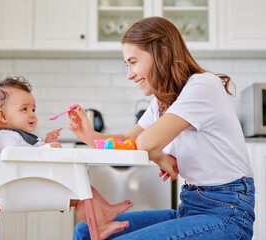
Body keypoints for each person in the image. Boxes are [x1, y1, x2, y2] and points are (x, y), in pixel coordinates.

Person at [69, 17, 255, 240]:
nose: (129, 74)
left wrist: (159, 157)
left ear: (162, 53)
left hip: (227, 213)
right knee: (85, 232)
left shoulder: (203, 85)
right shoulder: (163, 102)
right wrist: (89, 136)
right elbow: (129, 139)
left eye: (133, 62)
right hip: (192, 206)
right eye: (127, 64)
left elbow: (146, 143)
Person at [0, 76, 133, 239]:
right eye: (24, 109)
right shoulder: (4, 137)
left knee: (81, 183)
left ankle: (106, 209)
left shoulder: (15, 135)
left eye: (33, 110)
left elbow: (29, 154)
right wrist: (47, 149)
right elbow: (15, 156)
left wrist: (45, 143)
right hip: (23, 189)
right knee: (79, 190)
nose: (32, 115)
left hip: (31, 183)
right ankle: (101, 226)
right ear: (3, 115)